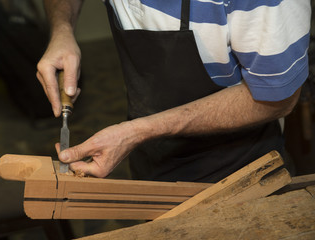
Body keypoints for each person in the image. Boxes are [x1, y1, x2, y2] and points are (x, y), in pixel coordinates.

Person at [36, 0, 311, 183]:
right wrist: (62, 29)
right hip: (147, 159)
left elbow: (278, 98)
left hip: (238, 173)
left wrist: (136, 132)